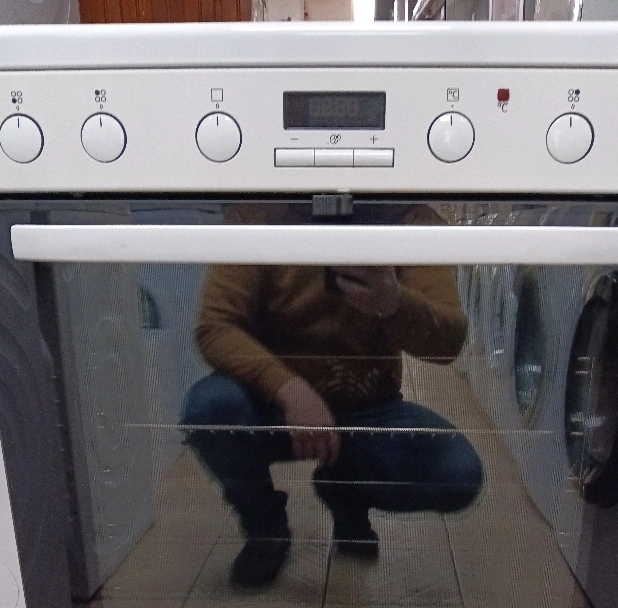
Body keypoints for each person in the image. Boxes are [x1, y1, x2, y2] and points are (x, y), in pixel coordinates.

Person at [182, 203, 483, 587]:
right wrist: (289, 390)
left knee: (458, 476)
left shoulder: (409, 220)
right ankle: (265, 529)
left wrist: (393, 303)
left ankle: (346, 489)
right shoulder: (259, 215)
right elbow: (215, 326)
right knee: (211, 409)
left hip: (367, 406)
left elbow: (448, 344)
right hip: (274, 404)